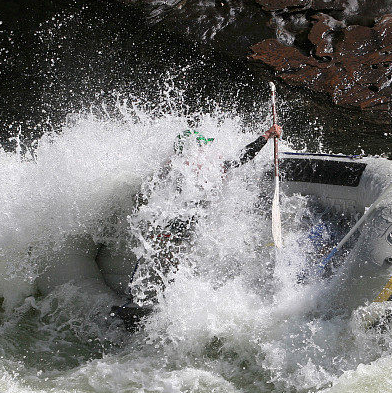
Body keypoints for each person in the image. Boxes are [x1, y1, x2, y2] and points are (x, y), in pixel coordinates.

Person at [112, 124, 282, 329]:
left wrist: (265, 137)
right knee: (156, 262)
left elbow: (241, 158)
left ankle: (158, 309)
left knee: (169, 267)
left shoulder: (204, 168)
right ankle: (135, 305)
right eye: (201, 148)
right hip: (167, 229)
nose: (204, 152)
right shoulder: (173, 168)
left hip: (184, 231)